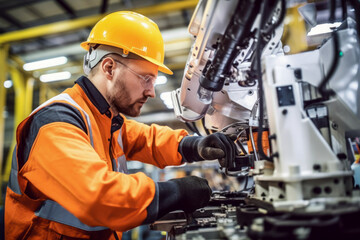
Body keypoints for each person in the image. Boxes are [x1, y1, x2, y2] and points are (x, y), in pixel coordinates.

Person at [5, 11, 236, 239]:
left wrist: (194, 146)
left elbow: (147, 139)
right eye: (146, 78)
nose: (152, 92)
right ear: (109, 68)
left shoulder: (106, 119)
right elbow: (98, 197)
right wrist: (177, 192)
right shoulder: (56, 123)